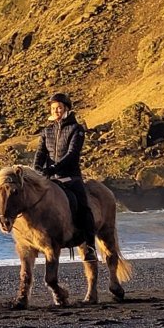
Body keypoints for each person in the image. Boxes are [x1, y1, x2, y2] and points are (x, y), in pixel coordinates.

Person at [33, 93, 96, 247]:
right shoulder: (47, 131)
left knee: (83, 207)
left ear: (66, 109)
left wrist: (54, 167)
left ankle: (89, 246)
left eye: (59, 107)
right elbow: (41, 153)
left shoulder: (77, 129)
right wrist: (37, 168)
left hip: (70, 177)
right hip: (50, 178)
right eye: (53, 108)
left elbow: (72, 153)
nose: (56, 111)